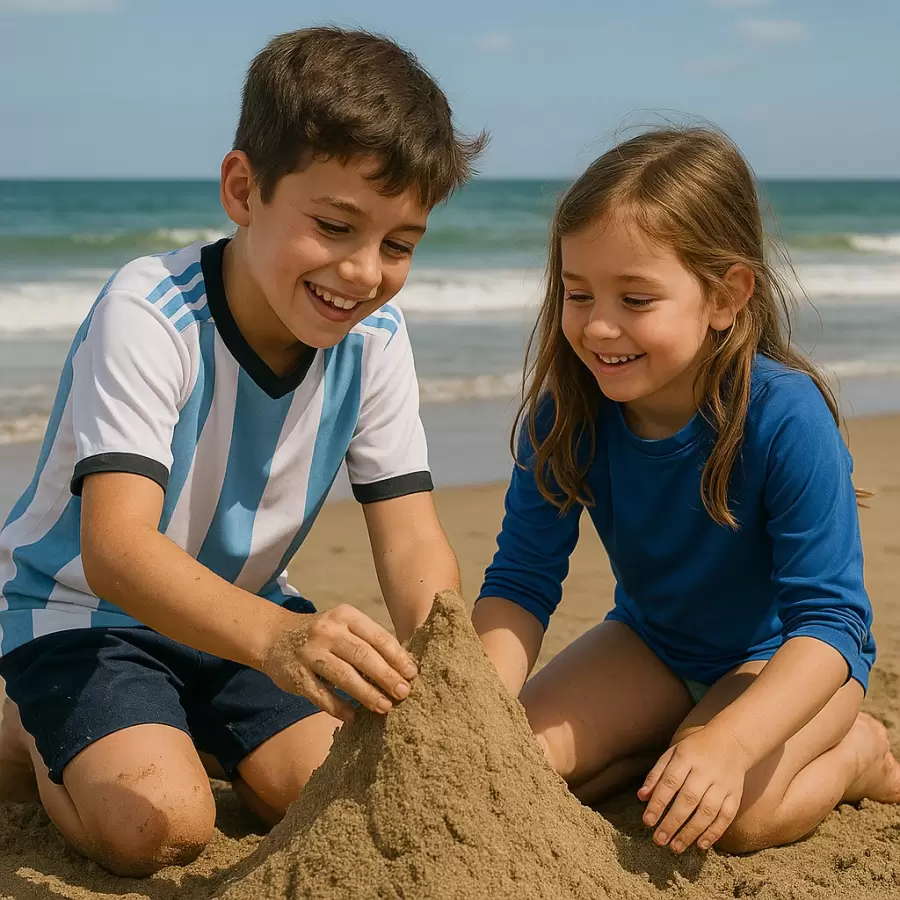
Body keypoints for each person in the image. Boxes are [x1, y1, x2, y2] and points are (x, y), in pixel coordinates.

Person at [0, 27, 485, 876]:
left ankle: (166, 724)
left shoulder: (375, 342)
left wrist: (450, 677)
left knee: (333, 790)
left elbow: (409, 538)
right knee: (161, 828)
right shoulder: (150, 312)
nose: (364, 273)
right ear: (243, 188)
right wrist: (279, 642)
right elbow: (114, 552)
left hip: (245, 614)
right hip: (82, 614)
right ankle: (25, 724)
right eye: (335, 225)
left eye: (399, 244)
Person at [474, 126, 900, 856]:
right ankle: (671, 743)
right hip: (652, 646)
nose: (599, 325)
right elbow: (520, 580)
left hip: (788, 663)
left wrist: (731, 744)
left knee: (735, 823)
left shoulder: (784, 416)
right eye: (579, 294)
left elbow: (830, 622)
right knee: (506, 771)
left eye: (636, 298)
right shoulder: (566, 413)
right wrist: (476, 711)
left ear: (725, 295)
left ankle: (858, 751)